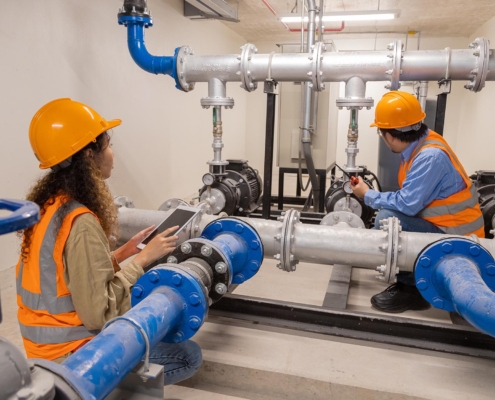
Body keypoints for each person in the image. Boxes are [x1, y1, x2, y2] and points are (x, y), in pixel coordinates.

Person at [16, 98, 202, 384]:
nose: (113, 154)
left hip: (41, 351)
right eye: (108, 146)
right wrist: (141, 259)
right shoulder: (80, 222)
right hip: (74, 356)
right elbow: (98, 314)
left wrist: (122, 254)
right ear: (89, 155)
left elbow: (66, 277)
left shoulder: (48, 207)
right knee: (187, 354)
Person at [352, 91, 484, 314]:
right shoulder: (423, 143)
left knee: (387, 219)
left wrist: (367, 195)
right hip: (446, 226)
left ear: (390, 136)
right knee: (388, 213)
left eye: (381, 133)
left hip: (459, 238)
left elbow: (407, 205)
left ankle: (411, 290)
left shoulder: (429, 157)